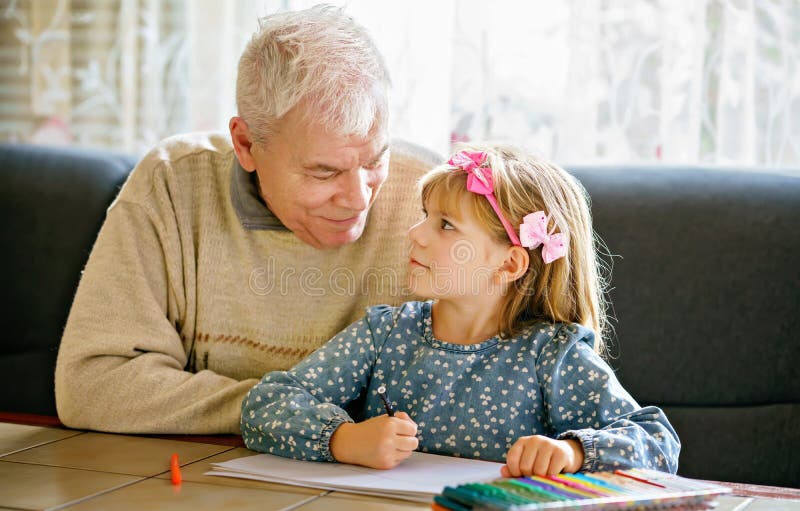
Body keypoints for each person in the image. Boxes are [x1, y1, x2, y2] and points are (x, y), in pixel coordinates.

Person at [54, 5, 439, 434]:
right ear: (246, 144)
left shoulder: (435, 198)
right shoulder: (172, 183)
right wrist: (287, 416)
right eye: (323, 172)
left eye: (374, 160)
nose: (357, 198)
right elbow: (92, 383)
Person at [241, 145, 680, 477]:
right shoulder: (386, 332)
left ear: (509, 264)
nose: (415, 233)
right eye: (425, 215)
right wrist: (343, 439)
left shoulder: (553, 355)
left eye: (445, 225)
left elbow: (658, 443)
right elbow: (266, 404)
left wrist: (572, 452)